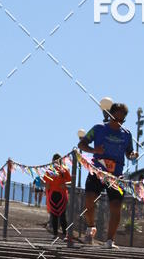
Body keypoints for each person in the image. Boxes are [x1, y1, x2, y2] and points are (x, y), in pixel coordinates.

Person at [78, 102, 137, 249]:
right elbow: (81, 144)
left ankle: (110, 240)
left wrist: (132, 155)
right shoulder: (98, 129)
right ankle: (91, 226)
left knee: (116, 206)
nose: (119, 123)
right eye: (116, 119)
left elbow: (129, 153)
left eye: (122, 120)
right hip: (98, 171)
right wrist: (94, 150)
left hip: (116, 176)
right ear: (110, 115)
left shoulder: (127, 134)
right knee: (89, 201)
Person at [43, 154, 71, 239]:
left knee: (59, 215)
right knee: (57, 215)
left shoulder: (64, 170)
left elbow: (70, 182)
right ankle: (59, 234)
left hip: (60, 194)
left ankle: (60, 234)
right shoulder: (50, 171)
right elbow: (47, 184)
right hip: (55, 194)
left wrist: (64, 185)